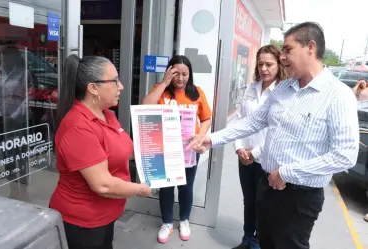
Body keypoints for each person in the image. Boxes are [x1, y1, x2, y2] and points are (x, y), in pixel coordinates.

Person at [186, 22, 359, 249]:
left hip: (299, 197)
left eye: (288, 50)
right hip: (267, 186)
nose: (283, 57)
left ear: (310, 47)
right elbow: (254, 121)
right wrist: (211, 139)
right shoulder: (284, 88)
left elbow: (345, 155)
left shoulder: (338, 95)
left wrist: (287, 172)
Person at [49, 54, 151, 249]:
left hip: (107, 214)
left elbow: (127, 151)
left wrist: (166, 146)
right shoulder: (77, 126)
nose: (121, 86)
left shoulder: (107, 115)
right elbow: (102, 185)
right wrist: (140, 189)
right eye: (114, 81)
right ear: (93, 88)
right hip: (82, 221)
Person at [142, 55, 212, 243]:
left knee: (186, 187)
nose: (180, 78)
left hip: (189, 148)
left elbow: (206, 119)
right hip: (164, 147)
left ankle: (184, 220)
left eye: (185, 74)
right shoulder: (161, 91)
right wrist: (164, 83)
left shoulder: (196, 93)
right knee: (166, 186)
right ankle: (166, 222)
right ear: (168, 72)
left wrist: (200, 136)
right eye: (176, 74)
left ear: (190, 74)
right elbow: (144, 107)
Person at [232, 45, 288, 249]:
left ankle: (257, 242)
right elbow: (239, 120)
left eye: (269, 64)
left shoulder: (283, 93)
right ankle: (247, 238)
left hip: (265, 160)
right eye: (261, 64)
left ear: (279, 64)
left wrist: (253, 153)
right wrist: (239, 148)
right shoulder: (250, 88)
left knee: (263, 204)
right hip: (244, 158)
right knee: (249, 201)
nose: (264, 68)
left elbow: (278, 131)